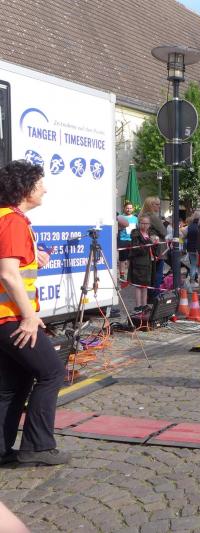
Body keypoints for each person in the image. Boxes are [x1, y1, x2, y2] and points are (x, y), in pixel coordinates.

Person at [0, 160, 70, 465]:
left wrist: (33, 257)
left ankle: (3, 450)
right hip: (12, 317)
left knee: (12, 384)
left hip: (5, 317)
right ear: (25, 188)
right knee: (51, 372)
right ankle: (37, 447)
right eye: (40, 184)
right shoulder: (13, 221)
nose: (45, 189)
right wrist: (29, 316)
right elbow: (7, 274)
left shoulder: (6, 218)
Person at [139, 197, 166, 303]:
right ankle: (154, 296)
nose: (159, 206)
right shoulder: (152, 217)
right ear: (151, 205)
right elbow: (163, 232)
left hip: (149, 248)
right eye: (157, 204)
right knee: (157, 274)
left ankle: (149, 296)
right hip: (158, 249)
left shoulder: (142, 216)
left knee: (151, 273)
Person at [128, 216, 157, 310]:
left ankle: (144, 305)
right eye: (143, 223)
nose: (145, 225)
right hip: (139, 263)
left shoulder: (149, 234)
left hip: (148, 262)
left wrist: (155, 244)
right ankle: (138, 306)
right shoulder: (136, 234)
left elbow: (152, 249)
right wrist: (149, 242)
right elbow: (137, 249)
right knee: (138, 286)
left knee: (145, 285)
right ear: (139, 224)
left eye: (147, 223)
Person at [117, 201, 137, 282]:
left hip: (132, 240)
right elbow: (117, 228)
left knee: (131, 259)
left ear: (133, 209)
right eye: (127, 208)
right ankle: (122, 275)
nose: (129, 209)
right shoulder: (120, 217)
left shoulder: (135, 218)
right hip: (123, 240)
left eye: (130, 208)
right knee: (122, 259)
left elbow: (137, 229)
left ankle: (129, 275)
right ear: (124, 208)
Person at [185, 213, 199, 286]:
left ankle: (192, 281)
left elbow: (184, 234)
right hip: (198, 249)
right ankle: (197, 280)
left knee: (193, 265)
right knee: (199, 265)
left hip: (190, 248)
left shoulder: (189, 227)